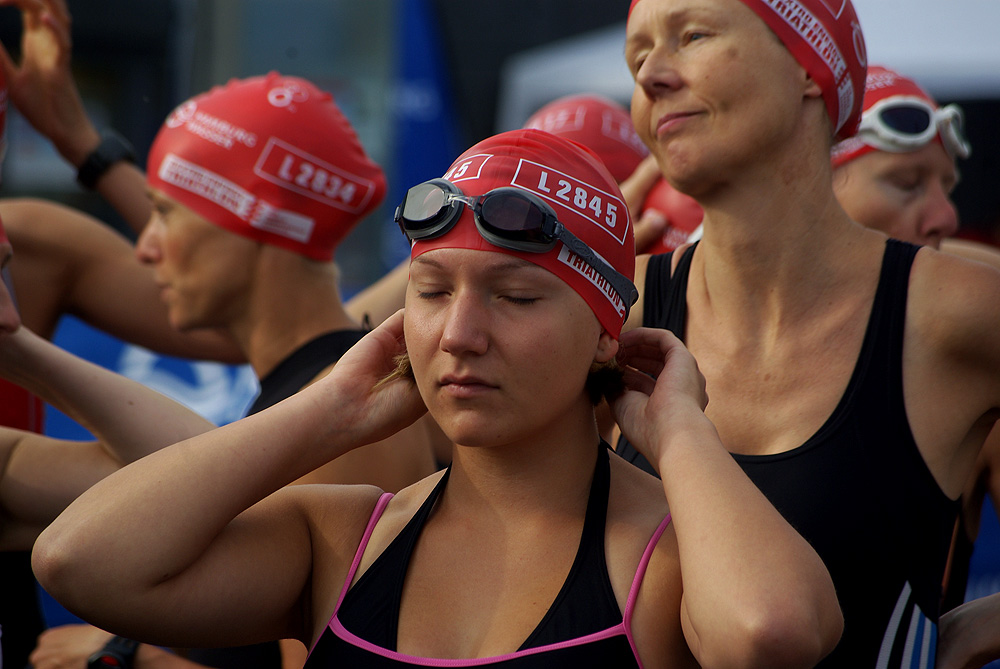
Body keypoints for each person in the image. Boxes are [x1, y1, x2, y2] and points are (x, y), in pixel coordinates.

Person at [30, 127, 843, 669]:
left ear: (606, 331)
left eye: (517, 297)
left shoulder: (664, 560)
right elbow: (82, 559)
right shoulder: (344, 538)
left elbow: (772, 631)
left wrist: (681, 431)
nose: (459, 333)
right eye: (430, 291)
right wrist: (329, 409)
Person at [619, 0, 1000, 666]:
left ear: (808, 66)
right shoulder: (611, 312)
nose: (651, 74)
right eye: (638, 55)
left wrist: (984, 622)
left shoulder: (951, 316)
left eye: (692, 36)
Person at [27, 73, 438, 669]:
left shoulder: (344, 425)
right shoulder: (317, 391)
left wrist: (123, 661)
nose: (145, 246)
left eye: (166, 213)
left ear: (253, 223)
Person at [829, 64, 1000, 620]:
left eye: (946, 187)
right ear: (811, 185)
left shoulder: (969, 359)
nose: (946, 216)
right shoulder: (676, 317)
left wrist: (981, 627)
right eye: (906, 183)